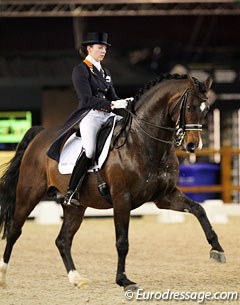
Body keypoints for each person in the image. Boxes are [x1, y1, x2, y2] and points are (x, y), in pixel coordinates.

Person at [52, 32, 132, 206]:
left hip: (108, 115)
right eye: (100, 48)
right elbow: (86, 98)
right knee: (89, 150)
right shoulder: (80, 70)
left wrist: (124, 102)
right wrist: (111, 105)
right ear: (89, 49)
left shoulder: (105, 72)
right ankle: (71, 192)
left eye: (105, 48)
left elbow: (113, 95)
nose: (103, 51)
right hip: (91, 115)